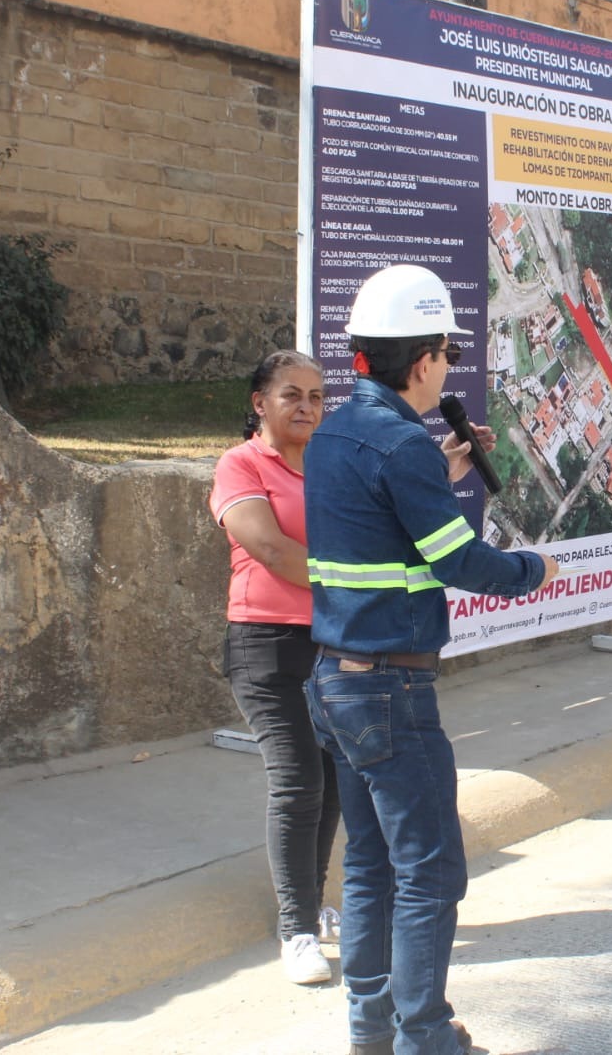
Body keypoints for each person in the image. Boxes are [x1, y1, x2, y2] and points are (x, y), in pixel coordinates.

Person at [303, 264, 560, 1055]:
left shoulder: (337, 435)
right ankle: (426, 1040)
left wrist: (438, 476)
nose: (450, 366)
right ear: (421, 362)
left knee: (372, 868)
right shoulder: (400, 447)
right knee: (431, 874)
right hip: (390, 691)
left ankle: (372, 1034)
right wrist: (536, 570)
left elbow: (379, 529)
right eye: (447, 353)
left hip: (336, 680)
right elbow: (461, 564)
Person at [209, 350, 342, 985]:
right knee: (298, 780)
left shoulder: (324, 465)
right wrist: (351, 580)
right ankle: (295, 931)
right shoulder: (240, 465)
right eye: (292, 395)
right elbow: (267, 547)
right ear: (260, 403)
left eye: (317, 397)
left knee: (335, 779)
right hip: (264, 644)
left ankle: (313, 908)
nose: (307, 408)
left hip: (330, 640)